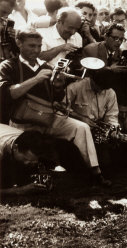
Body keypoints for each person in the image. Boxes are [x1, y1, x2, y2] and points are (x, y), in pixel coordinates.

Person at [0, 27, 110, 186]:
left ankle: (95, 173)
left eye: (39, 46)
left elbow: (54, 97)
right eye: (32, 46)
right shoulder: (8, 65)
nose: (36, 50)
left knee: (81, 127)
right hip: (23, 123)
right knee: (25, 151)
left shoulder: (46, 66)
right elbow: (7, 95)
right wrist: (36, 79)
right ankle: (31, 179)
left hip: (47, 117)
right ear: (18, 43)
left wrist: (58, 86)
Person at [82, 23, 127, 116]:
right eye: (115, 38)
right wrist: (110, 69)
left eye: (121, 39)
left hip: (110, 94)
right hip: (91, 92)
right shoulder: (91, 50)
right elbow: (90, 75)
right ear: (105, 36)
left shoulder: (120, 53)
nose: (119, 42)